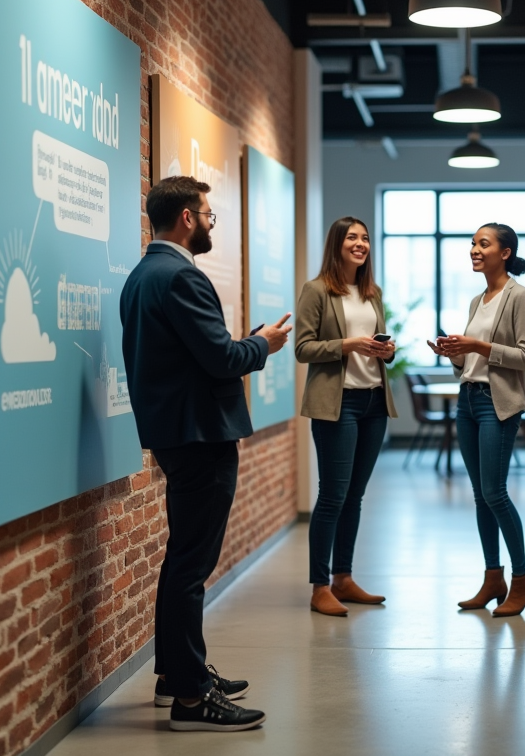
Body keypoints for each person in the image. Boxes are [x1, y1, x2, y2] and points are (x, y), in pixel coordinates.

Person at [120, 175, 291, 732]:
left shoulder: (142, 276)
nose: (211, 224)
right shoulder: (181, 278)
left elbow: (192, 357)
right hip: (200, 436)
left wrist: (242, 344)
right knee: (191, 566)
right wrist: (261, 344)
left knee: (181, 560)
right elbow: (221, 359)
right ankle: (193, 700)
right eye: (209, 215)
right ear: (187, 218)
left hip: (175, 433)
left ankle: (177, 675)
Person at [428, 223, 525, 617]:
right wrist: (455, 351)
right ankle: (494, 579)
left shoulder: (520, 296)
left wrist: (478, 345)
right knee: (479, 495)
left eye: (483, 243)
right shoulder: (479, 300)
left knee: (495, 492)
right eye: (473, 243)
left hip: (497, 404)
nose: (474, 249)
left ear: (505, 252)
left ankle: (522, 581)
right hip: (468, 401)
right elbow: (470, 360)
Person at [295, 216, 399, 617]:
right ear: (337, 244)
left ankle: (343, 577)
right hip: (338, 405)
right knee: (333, 496)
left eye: (365, 238)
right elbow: (303, 348)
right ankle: (320, 586)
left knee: (354, 497)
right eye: (352, 237)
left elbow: (375, 344)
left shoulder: (372, 293)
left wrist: (385, 352)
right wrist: (348, 344)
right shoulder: (317, 290)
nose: (361, 243)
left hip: (373, 402)